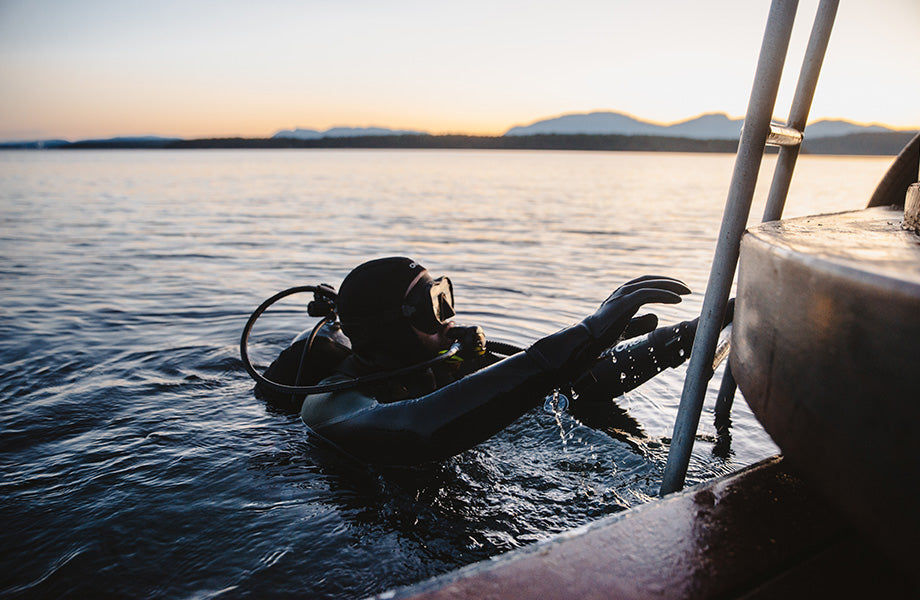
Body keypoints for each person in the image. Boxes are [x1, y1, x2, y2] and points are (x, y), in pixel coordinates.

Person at [264, 256, 699, 466]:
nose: (449, 315)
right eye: (431, 305)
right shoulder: (327, 405)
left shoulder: (437, 363)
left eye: (445, 295)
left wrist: (687, 336)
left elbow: (567, 386)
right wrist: (584, 332)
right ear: (388, 329)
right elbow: (417, 430)